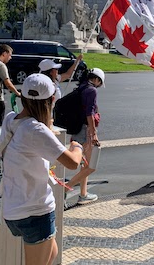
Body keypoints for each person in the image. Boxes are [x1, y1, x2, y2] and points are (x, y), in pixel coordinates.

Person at [0, 73, 83, 265]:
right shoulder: (36, 130)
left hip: (14, 208)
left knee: (51, 253)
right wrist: (77, 147)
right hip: (34, 211)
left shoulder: (10, 120)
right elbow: (72, 163)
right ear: (52, 100)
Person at [65, 68, 105, 205]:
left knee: (85, 165)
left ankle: (83, 194)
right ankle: (64, 190)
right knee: (90, 166)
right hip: (85, 130)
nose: (98, 86)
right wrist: (93, 133)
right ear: (97, 80)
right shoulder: (91, 90)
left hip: (77, 129)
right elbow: (90, 113)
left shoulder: (82, 87)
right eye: (100, 83)